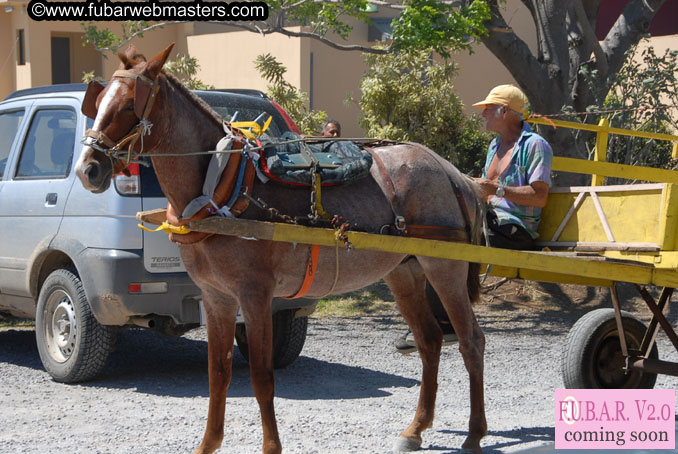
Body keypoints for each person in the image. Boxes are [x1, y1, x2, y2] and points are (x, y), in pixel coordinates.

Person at [395, 84, 553, 354]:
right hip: (488, 221)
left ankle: (445, 321)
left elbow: (540, 197)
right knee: (434, 233)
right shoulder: (494, 145)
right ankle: (433, 320)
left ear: (505, 111)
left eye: (488, 109)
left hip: (514, 228)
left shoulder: (536, 145)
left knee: (449, 239)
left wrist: (498, 190)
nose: (483, 115)